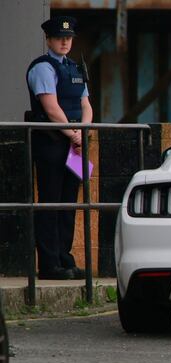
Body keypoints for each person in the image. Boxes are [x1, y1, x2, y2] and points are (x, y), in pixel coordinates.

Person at [26, 16, 92, 280]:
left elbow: (86, 105)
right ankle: (49, 264)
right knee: (50, 203)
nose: (65, 42)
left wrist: (82, 132)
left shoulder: (75, 68)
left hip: (73, 143)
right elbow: (51, 108)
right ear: (48, 40)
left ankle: (65, 259)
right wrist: (74, 134)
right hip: (51, 142)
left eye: (68, 38)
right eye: (59, 38)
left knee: (68, 205)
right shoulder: (43, 68)